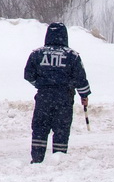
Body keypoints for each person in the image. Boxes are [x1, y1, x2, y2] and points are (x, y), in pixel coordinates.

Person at [24, 22, 91, 164]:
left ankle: (37, 159)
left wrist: (41, 84)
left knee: (40, 128)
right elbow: (80, 78)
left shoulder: (37, 54)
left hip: (43, 98)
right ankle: (58, 160)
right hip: (64, 98)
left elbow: (28, 75)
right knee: (61, 129)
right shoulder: (72, 56)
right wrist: (84, 95)